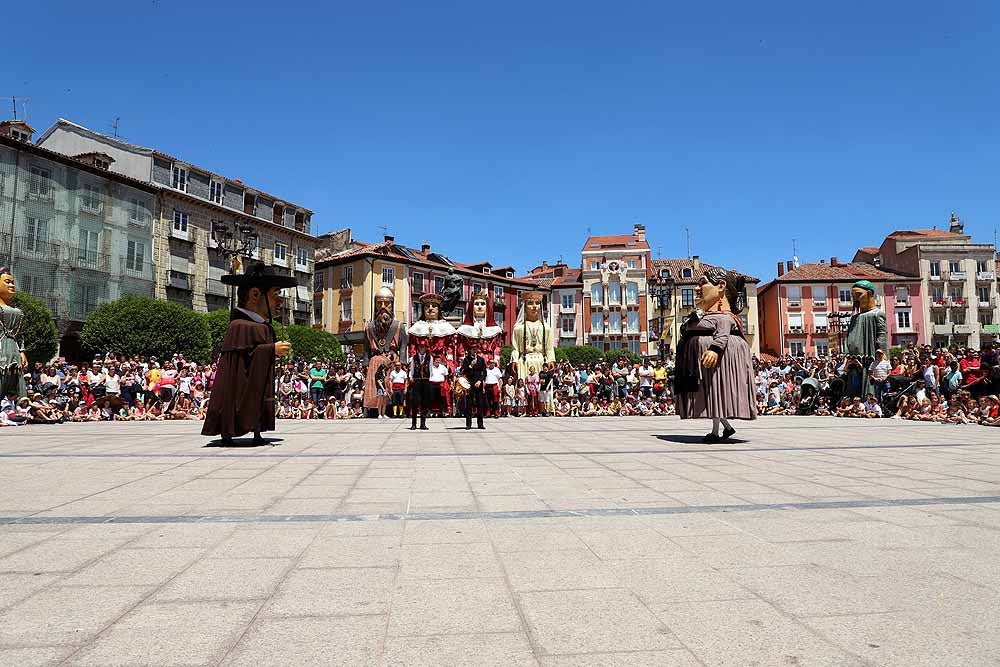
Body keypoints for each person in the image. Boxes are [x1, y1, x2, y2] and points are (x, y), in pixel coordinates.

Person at [202, 262, 294, 443]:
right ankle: (230, 429)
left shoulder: (263, 326)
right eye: (276, 293)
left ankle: (257, 428)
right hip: (239, 385)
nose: (280, 301)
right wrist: (271, 349)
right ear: (255, 294)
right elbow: (244, 359)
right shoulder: (239, 326)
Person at [674, 267, 757, 442]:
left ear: (721, 286)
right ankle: (724, 428)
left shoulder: (724, 317)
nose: (697, 289)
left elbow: (723, 333)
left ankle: (717, 431)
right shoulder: (706, 316)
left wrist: (715, 349)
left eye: (702, 283)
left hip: (716, 363)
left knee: (715, 393)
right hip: (701, 366)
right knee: (712, 395)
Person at [510, 291, 556, 380]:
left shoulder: (546, 328)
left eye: (537, 303)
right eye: (530, 303)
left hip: (542, 362)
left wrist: (551, 359)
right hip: (524, 362)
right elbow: (515, 348)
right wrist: (514, 360)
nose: (534, 306)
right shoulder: (518, 328)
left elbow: (549, 348)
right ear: (525, 307)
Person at [460, 346, 487, 430]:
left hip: (478, 384)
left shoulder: (481, 359)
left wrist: (480, 381)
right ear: (470, 350)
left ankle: (480, 423)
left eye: (476, 349)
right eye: (473, 349)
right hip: (469, 384)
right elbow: (464, 371)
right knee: (469, 404)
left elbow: (484, 373)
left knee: (480, 404)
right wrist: (470, 366)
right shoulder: (466, 360)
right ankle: (468, 424)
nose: (475, 351)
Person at [408, 340, 433, 430]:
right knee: (415, 402)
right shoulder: (413, 358)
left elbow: (431, 368)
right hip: (417, 380)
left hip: (426, 381)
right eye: (420, 347)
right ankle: (414, 424)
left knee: (425, 402)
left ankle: (423, 423)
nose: (422, 349)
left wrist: (429, 377)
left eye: (423, 347)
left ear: (425, 348)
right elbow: (412, 368)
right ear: (418, 348)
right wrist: (411, 377)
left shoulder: (429, 357)